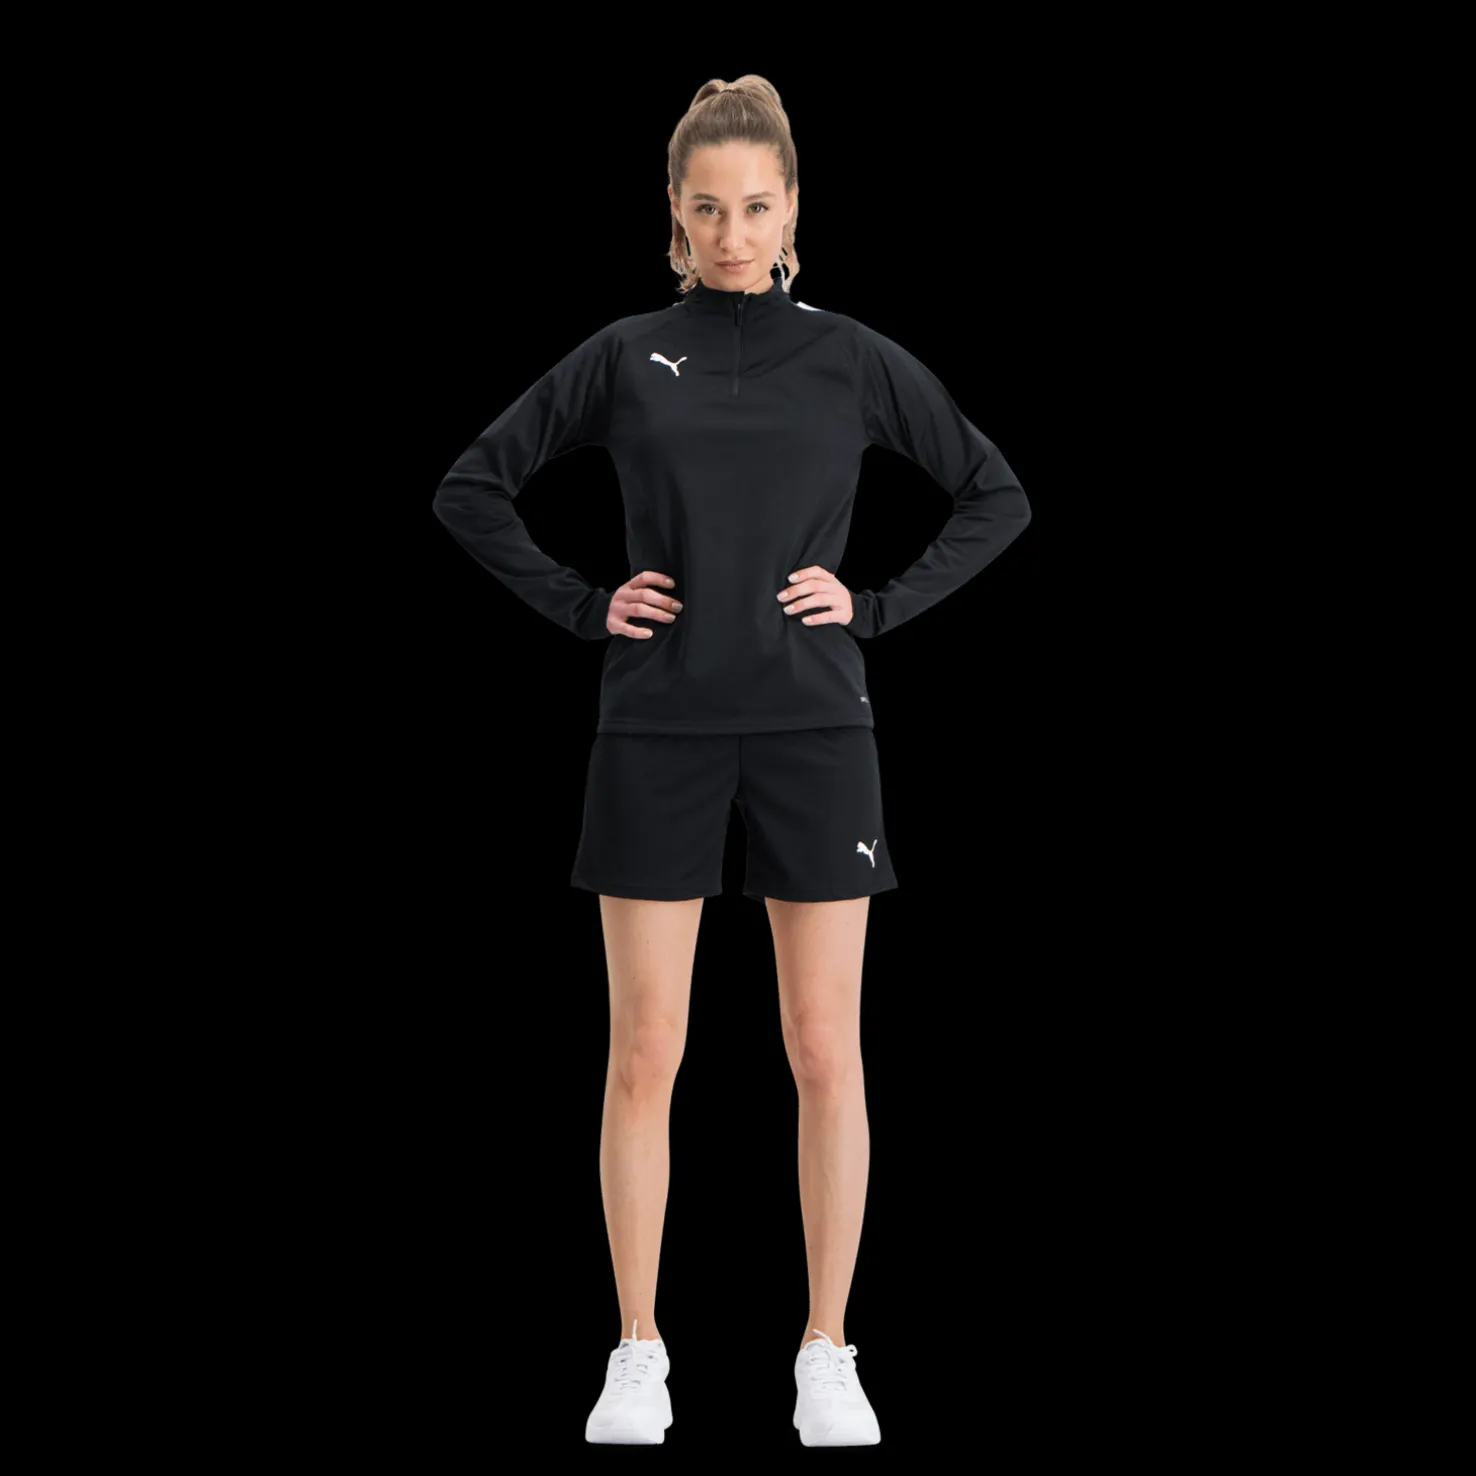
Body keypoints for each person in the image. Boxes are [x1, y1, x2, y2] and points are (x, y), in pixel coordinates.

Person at [431, 74, 1031, 1447]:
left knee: (824, 1046)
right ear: (674, 212)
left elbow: (994, 492)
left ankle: (828, 1350)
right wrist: (584, 603)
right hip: (656, 724)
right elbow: (472, 484)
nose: (733, 233)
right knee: (646, 1049)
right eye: (708, 208)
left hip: (817, 728)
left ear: (794, 209)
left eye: (756, 207)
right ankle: (637, 1350)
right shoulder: (626, 352)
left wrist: (874, 605)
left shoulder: (851, 356)